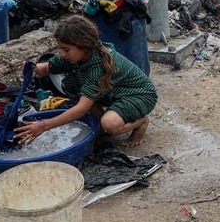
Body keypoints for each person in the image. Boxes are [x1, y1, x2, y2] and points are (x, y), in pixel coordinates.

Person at [14, 15, 157, 147]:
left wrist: (44, 125)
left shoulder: (98, 66)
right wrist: (31, 69)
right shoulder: (75, 55)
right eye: (61, 49)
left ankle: (141, 122)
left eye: (66, 50)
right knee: (71, 85)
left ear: (83, 46)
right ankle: (101, 125)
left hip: (139, 94)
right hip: (114, 91)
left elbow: (81, 109)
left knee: (110, 124)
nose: (62, 53)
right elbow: (46, 68)